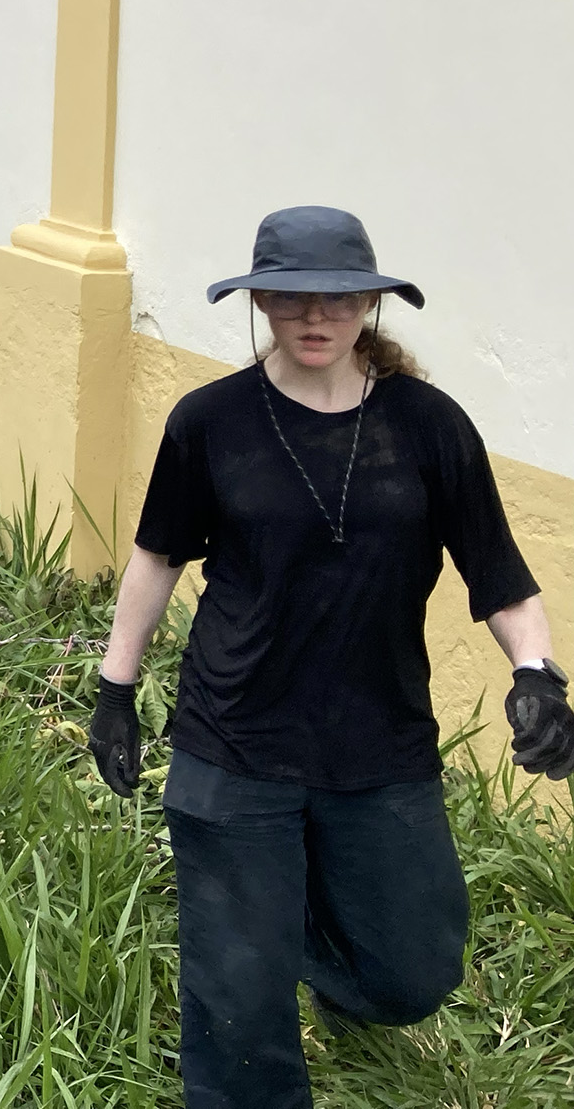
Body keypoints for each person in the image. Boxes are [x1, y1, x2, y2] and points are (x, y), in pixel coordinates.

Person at [90, 205, 574, 1108]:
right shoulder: (211, 421)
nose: (316, 320)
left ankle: (294, 925)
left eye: (340, 300)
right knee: (239, 1015)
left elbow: (501, 577)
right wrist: (115, 690)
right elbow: (157, 555)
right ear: (259, 300)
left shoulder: (430, 428)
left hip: (377, 742)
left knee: (412, 970)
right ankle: (256, 952)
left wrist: (536, 673)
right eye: (290, 299)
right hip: (232, 740)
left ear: (372, 305)